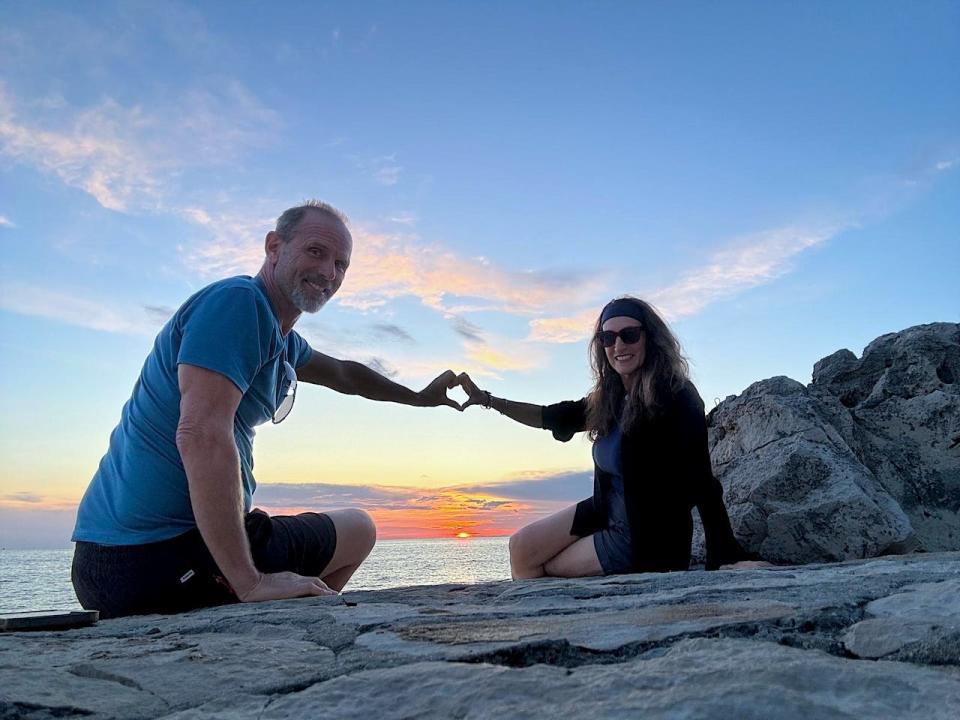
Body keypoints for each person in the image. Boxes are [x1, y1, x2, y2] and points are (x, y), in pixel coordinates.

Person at [72, 201, 462, 618]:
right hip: (156, 557)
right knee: (359, 529)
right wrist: (250, 581)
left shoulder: (281, 339)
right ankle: (280, 614)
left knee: (348, 531)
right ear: (274, 247)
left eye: (341, 264)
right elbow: (199, 433)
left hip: (113, 563)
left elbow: (345, 375)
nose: (329, 272)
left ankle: (287, 617)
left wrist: (420, 396)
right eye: (315, 252)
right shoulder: (239, 304)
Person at [458, 296, 765, 579]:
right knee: (521, 547)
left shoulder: (675, 396)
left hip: (646, 536)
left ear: (649, 338)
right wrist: (488, 399)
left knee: (547, 569)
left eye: (629, 335)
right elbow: (552, 416)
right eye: (608, 338)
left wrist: (725, 554)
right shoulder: (611, 399)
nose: (619, 345)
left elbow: (702, 480)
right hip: (605, 511)